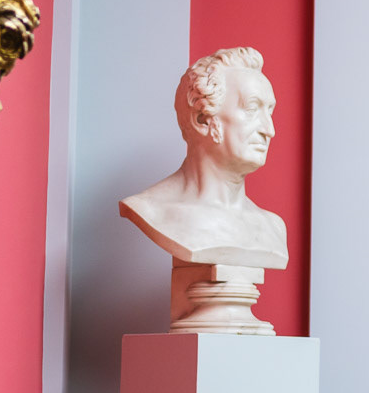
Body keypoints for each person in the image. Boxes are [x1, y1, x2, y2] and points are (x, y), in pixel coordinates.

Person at [120, 46, 289, 269]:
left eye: (270, 111)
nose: (269, 130)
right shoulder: (152, 210)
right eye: (251, 109)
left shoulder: (272, 228)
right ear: (202, 120)